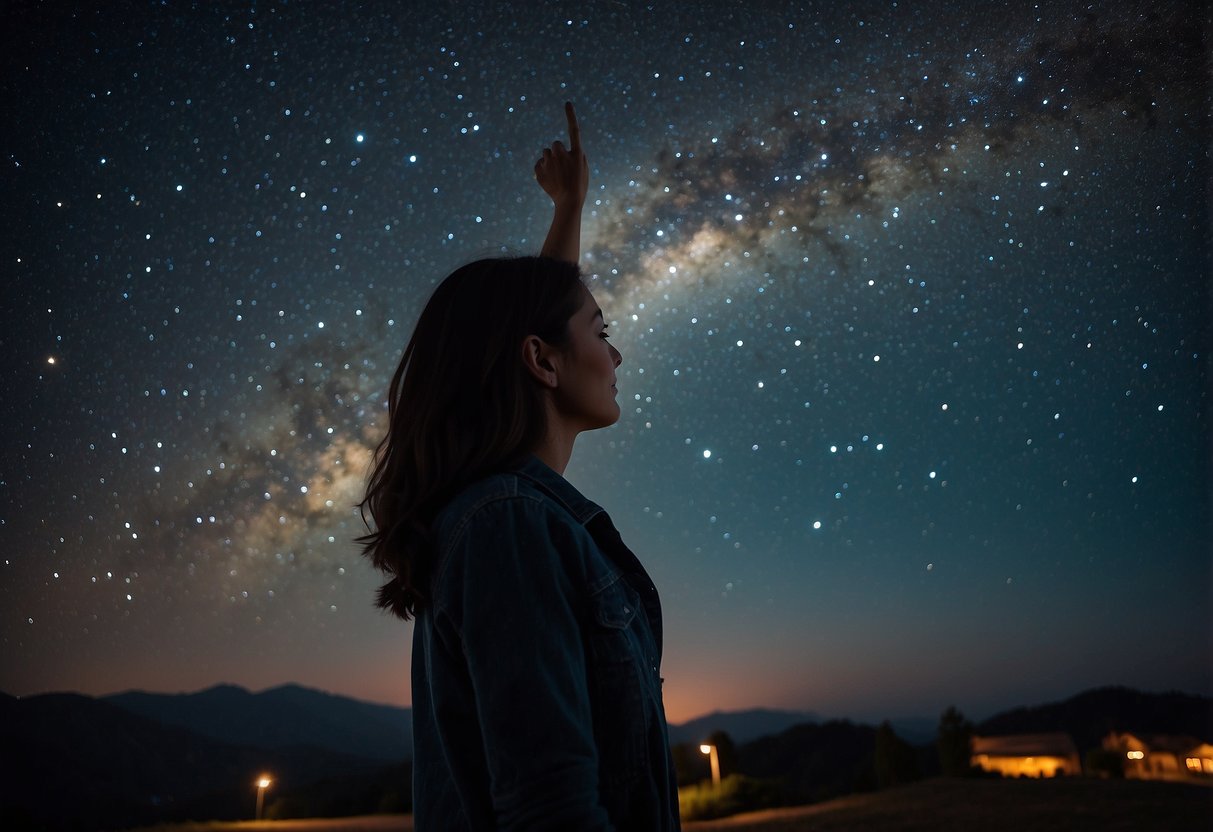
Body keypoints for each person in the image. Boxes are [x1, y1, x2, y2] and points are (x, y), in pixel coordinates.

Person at [358, 103, 681, 831]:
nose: (616, 354)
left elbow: (532, 322)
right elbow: (551, 807)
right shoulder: (507, 525)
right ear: (539, 361)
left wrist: (570, 210)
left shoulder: (502, 516)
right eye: (602, 333)